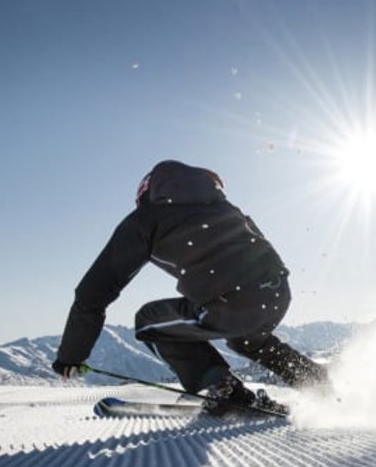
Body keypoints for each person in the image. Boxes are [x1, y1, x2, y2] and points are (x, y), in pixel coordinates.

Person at [52, 160, 329, 415]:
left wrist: (71, 355)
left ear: (146, 193)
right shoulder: (227, 208)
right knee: (249, 340)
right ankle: (319, 386)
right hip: (277, 293)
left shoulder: (147, 219)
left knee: (148, 321)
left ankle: (226, 391)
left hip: (229, 302)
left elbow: (94, 291)